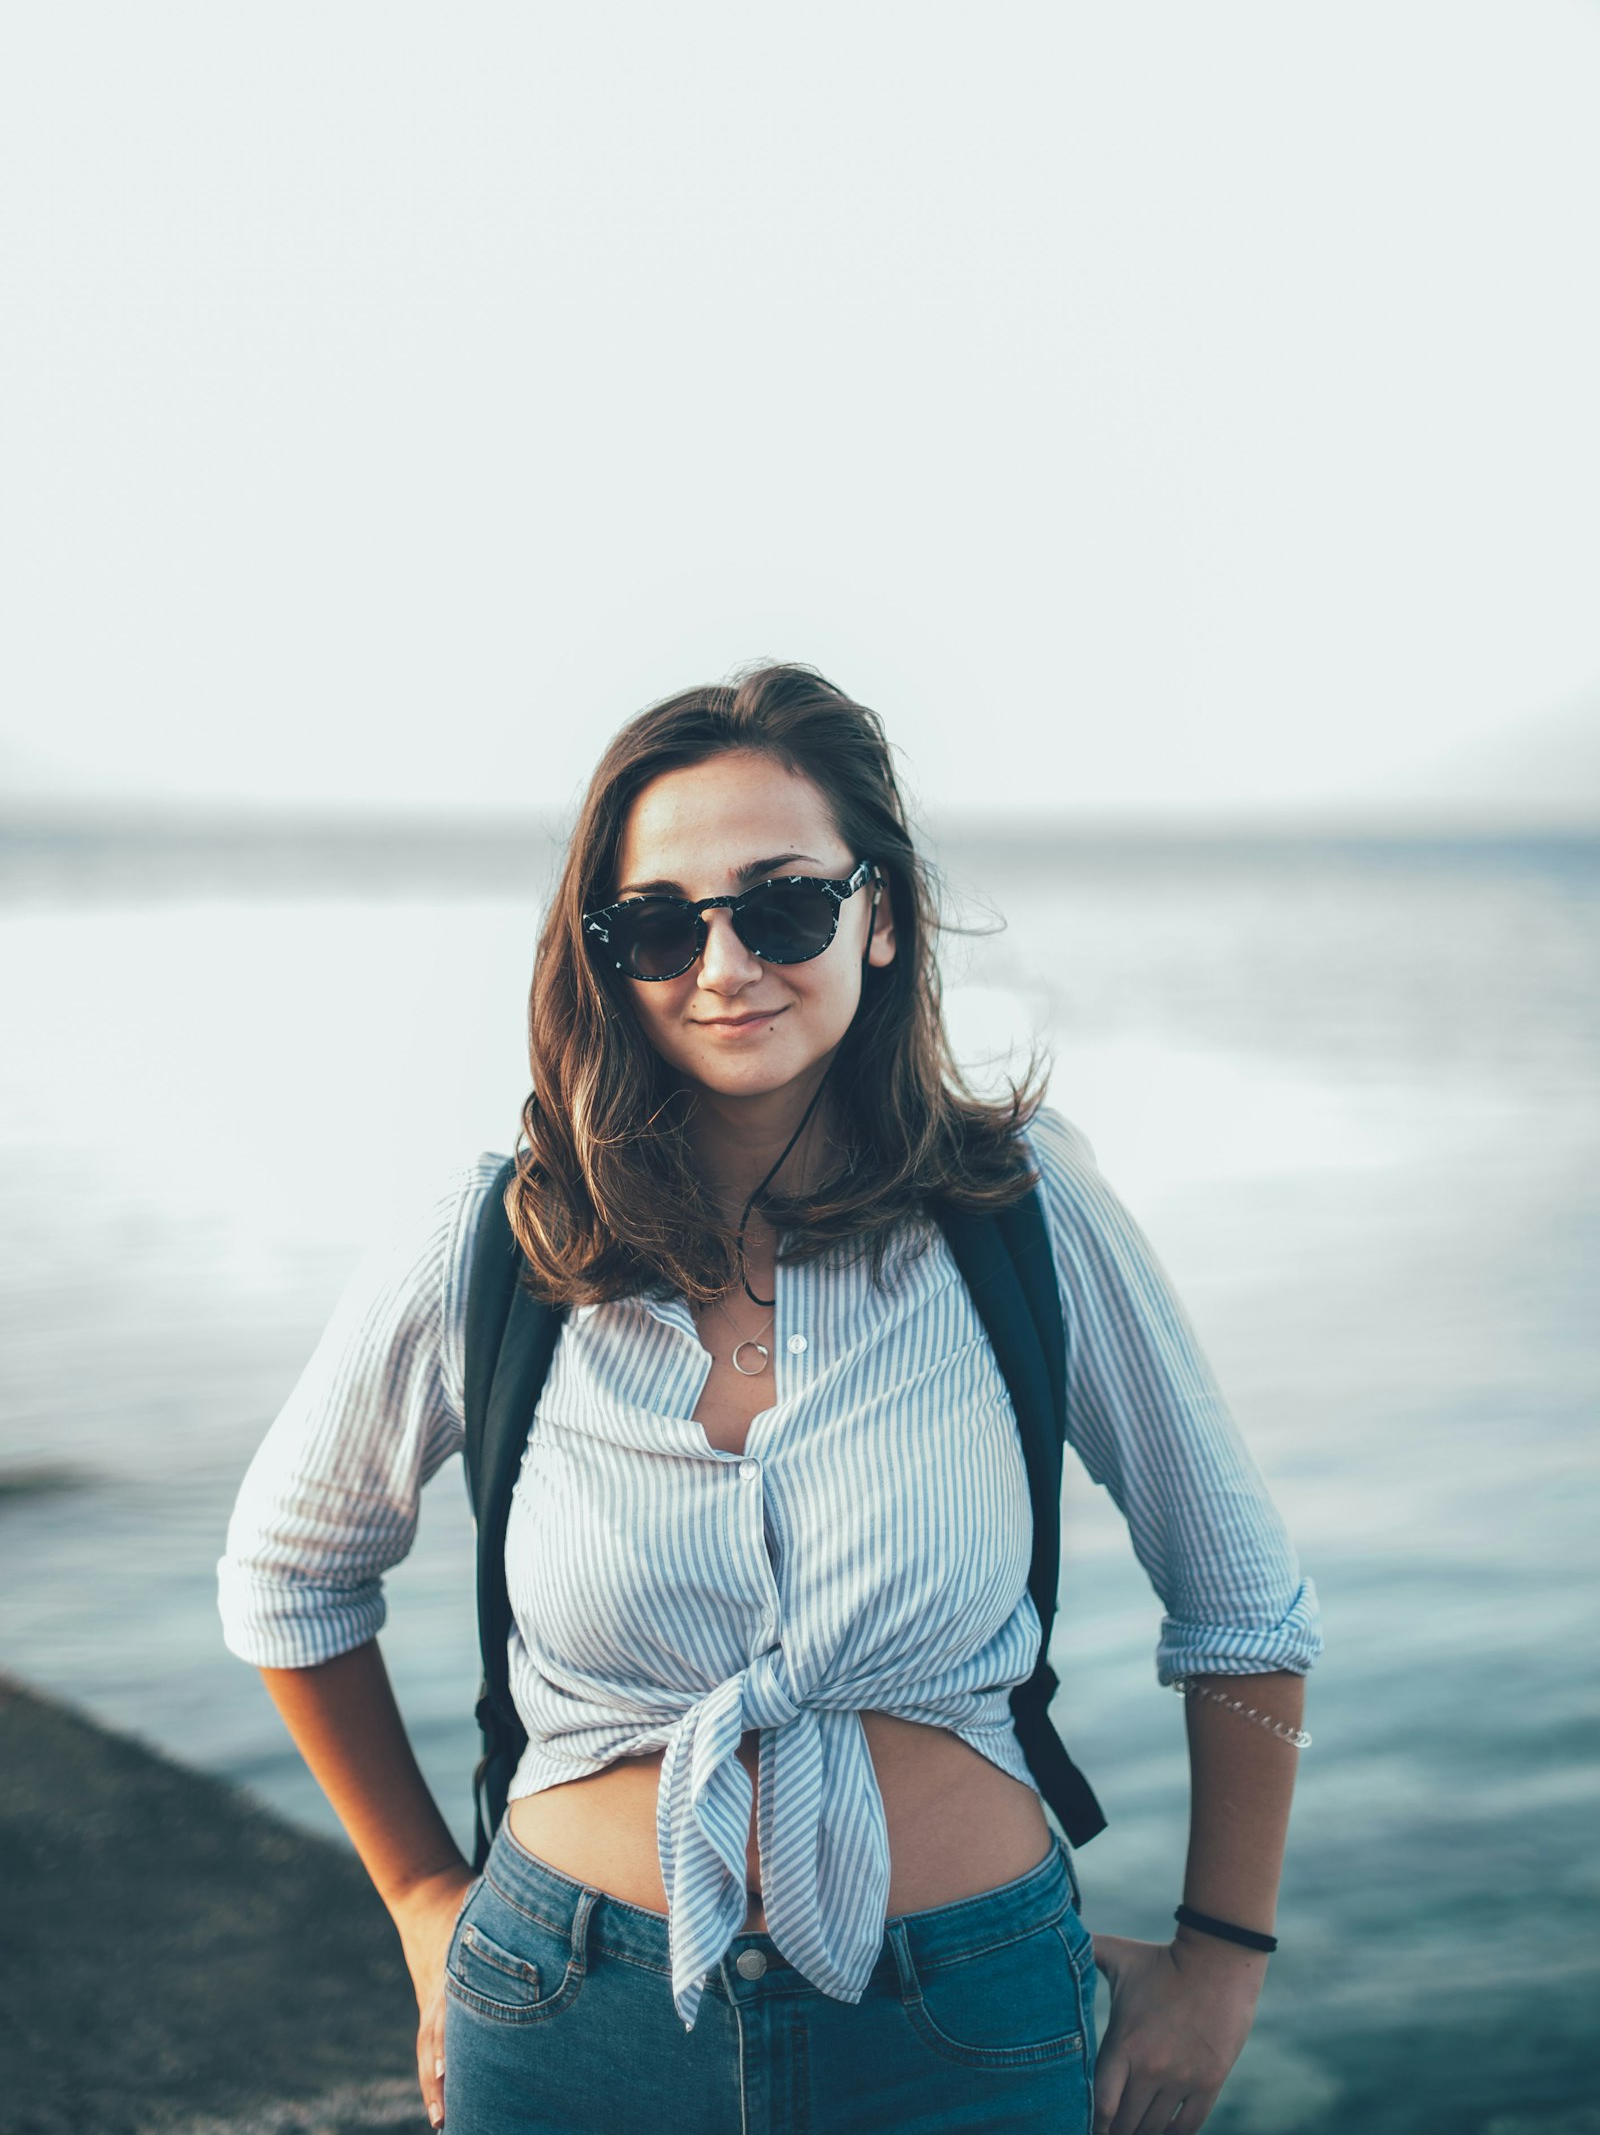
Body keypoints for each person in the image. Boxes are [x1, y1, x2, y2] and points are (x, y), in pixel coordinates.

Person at [219, 662, 1321, 2135]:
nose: (725, 963)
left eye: (784, 902)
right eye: (661, 924)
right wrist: (425, 1896)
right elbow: (291, 1575)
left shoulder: (1025, 1209)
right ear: (605, 956)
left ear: (881, 913)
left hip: (963, 2017)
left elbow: (1242, 1601)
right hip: (565, 2023)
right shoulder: (501, 1237)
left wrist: (1222, 1961)